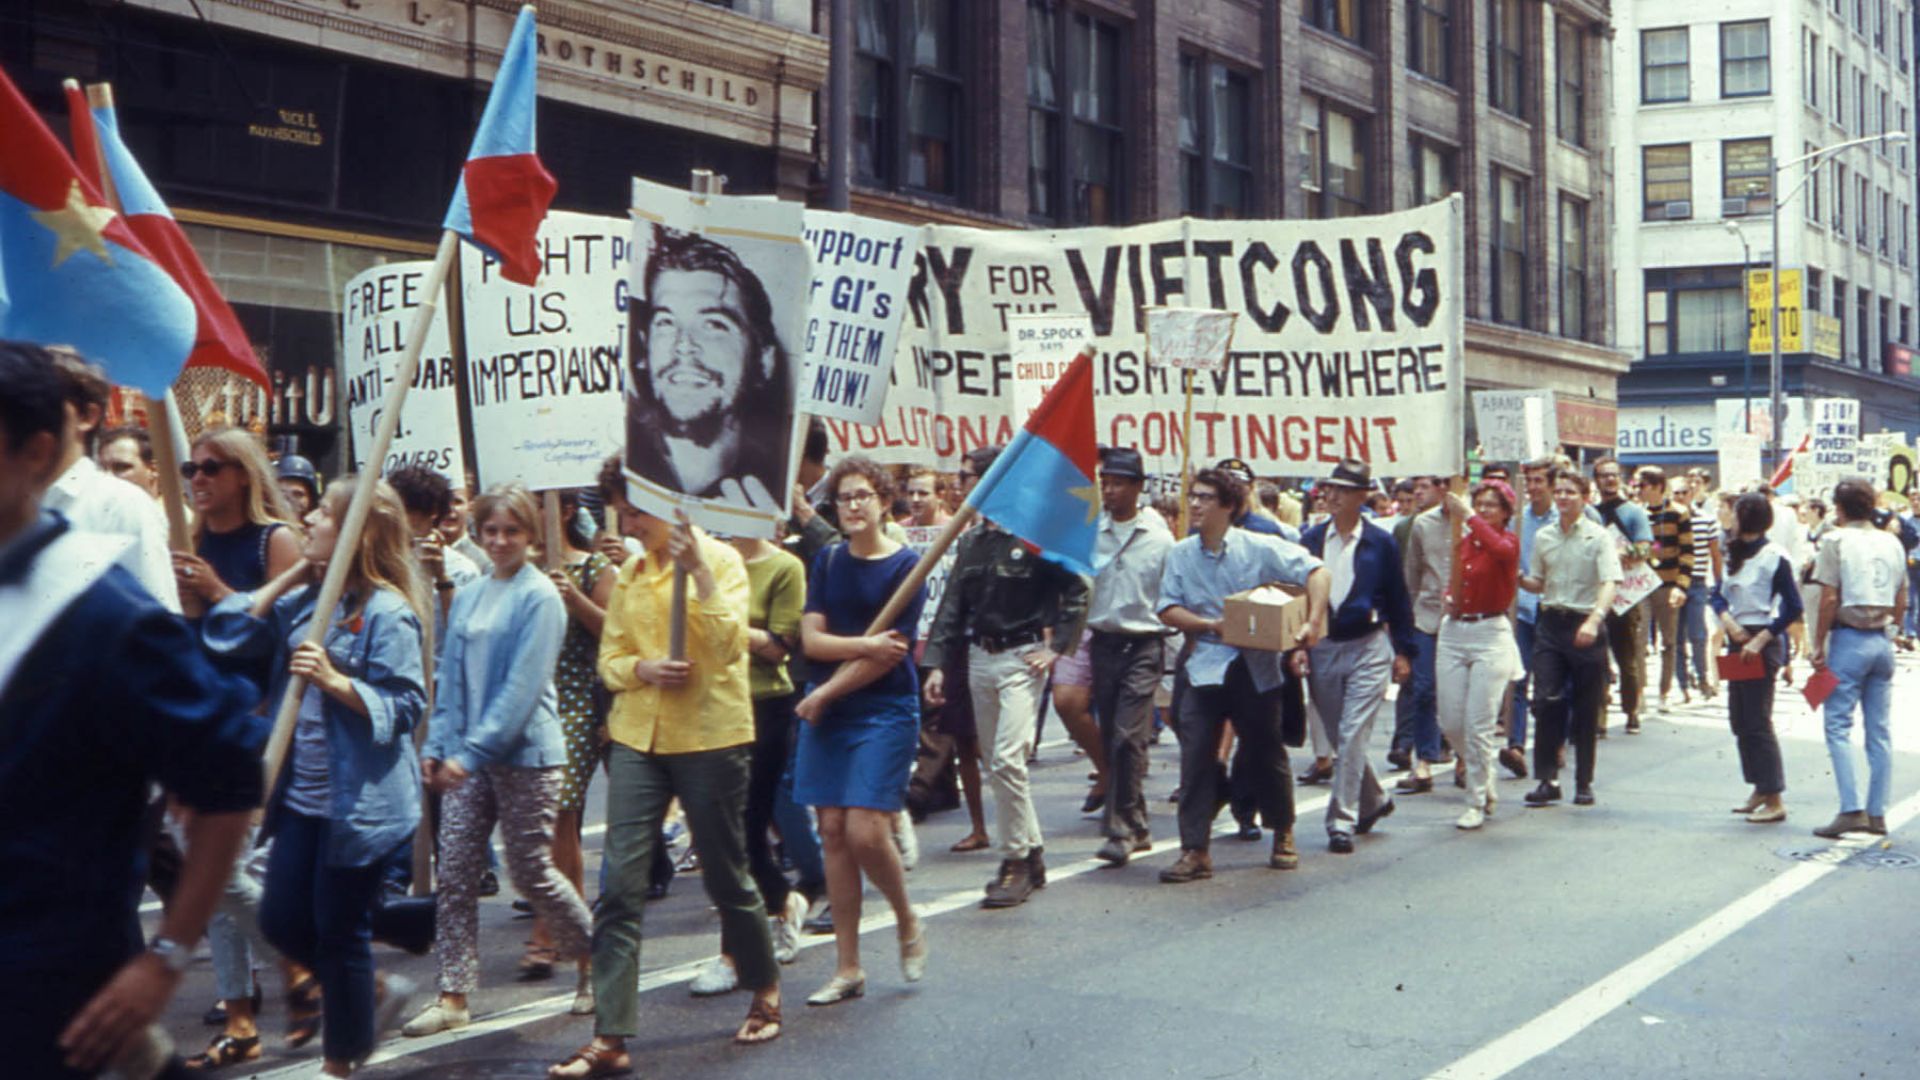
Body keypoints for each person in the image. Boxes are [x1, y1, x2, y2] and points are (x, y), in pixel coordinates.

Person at [0, 341, 259, 1080]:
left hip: (49, 992)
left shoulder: (102, 614)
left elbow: (229, 775)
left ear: (35, 451)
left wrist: (168, 955)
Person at [549, 459, 781, 1080]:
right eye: (622, 511)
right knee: (619, 885)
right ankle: (611, 1035)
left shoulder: (723, 561)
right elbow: (612, 659)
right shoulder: (630, 574)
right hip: (636, 737)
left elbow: (733, 646)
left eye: (635, 511)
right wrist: (643, 671)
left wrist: (699, 573)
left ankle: (764, 985)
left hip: (709, 737)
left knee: (726, 874)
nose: (626, 523)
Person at [202, 475, 428, 1077]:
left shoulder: (388, 611)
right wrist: (292, 574)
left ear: (357, 534)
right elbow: (230, 634)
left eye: (323, 516)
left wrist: (336, 682)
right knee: (280, 920)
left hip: (362, 806)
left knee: (338, 931)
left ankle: (339, 1062)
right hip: (302, 799)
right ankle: (372, 986)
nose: (308, 522)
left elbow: (407, 705)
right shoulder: (307, 603)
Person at [405, 484, 594, 1037]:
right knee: (457, 872)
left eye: (512, 530)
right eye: (491, 531)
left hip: (528, 756)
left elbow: (521, 689)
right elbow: (452, 679)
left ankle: (597, 962)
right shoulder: (470, 593)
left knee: (532, 871)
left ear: (532, 536)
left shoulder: (541, 597)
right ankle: (453, 995)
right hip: (470, 758)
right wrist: (439, 745)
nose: (501, 540)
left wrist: (471, 752)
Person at [922, 447, 1091, 908]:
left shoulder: (1036, 535)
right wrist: (936, 663)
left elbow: (1078, 587)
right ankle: (1033, 852)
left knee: (1009, 759)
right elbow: (952, 605)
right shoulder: (971, 542)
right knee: (996, 766)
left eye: (969, 477)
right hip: (980, 657)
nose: (962, 486)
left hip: (1021, 657)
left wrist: (1056, 648)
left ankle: (1013, 860)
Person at [790, 456, 929, 1003]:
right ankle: (848, 967)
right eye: (844, 497)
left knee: (866, 830)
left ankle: (905, 917)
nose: (852, 506)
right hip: (828, 711)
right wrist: (861, 645)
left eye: (862, 496)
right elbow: (813, 642)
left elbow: (889, 657)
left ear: (883, 501)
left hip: (882, 708)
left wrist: (824, 691)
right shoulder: (826, 560)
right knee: (831, 831)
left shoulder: (908, 566)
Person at [1157, 467, 1327, 880]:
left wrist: (1312, 621)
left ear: (1229, 506)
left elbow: (1317, 572)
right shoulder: (1180, 553)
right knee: (1196, 753)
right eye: (1192, 496)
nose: (1195, 505)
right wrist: (1208, 625)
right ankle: (1195, 848)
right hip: (1203, 664)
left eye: (1205, 498)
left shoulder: (1260, 547)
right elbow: (1167, 607)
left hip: (1254, 667)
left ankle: (1282, 830)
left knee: (1264, 750)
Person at [688, 520, 812, 996]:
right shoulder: (708, 561)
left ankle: (732, 953)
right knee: (721, 833)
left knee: (741, 831)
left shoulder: (785, 567)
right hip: (711, 703)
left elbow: (780, 647)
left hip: (763, 707)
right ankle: (784, 900)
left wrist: (720, 623)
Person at [626, 225, 793, 510]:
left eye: (713, 324)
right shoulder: (629, 487)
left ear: (763, 360)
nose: (684, 345)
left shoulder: (769, 496)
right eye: (666, 322)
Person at [1299, 459, 1415, 855]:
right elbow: (1298, 598)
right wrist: (1296, 648)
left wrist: (1404, 651)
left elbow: (1399, 598)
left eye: (1342, 490)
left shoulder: (1380, 543)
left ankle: (1341, 821)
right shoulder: (1311, 539)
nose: (1331, 496)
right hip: (1324, 647)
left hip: (1368, 646)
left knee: (1351, 734)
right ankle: (1374, 800)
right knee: (1337, 735)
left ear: (1361, 497)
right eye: (1329, 488)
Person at [531, 489, 618, 1012]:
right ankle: (558, 927)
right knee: (534, 827)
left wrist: (574, 599)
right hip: (527, 697)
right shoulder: (519, 567)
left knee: (561, 813)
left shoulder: (594, 568)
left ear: (565, 512)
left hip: (577, 699)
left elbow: (614, 632)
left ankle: (566, 942)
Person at [1085, 447, 1176, 867]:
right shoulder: (1091, 534)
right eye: (1106, 482)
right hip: (1104, 645)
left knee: (1127, 735)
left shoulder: (1159, 540)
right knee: (1112, 738)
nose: (1110, 490)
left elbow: (1172, 594)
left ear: (1138, 488)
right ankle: (1137, 822)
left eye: (1119, 483)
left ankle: (1119, 828)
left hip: (1143, 644)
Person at [1806, 479, 1910, 839]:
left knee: (1837, 726)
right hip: (1881, 641)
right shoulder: (1891, 541)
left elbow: (1829, 599)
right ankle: (1877, 812)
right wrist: (1894, 631)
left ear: (1839, 508)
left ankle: (1851, 808)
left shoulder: (1835, 540)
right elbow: (1902, 596)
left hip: (1849, 640)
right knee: (1879, 731)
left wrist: (1818, 644)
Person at [41, 356, 179, 611]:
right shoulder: (17, 500)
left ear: (87, 416)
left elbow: (158, 618)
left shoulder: (122, 506)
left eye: (46, 404)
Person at [1519, 469, 1622, 808]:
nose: (1563, 497)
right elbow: (1538, 581)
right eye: (1559, 491)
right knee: (1546, 699)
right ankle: (1547, 779)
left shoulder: (1598, 537)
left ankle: (1583, 781)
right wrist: (1517, 578)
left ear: (1584, 497)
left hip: (1585, 624)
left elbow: (1610, 582)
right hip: (1550, 623)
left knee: (1586, 706)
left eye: (1570, 492)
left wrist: (1594, 620)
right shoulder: (1544, 536)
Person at [1711, 492, 1802, 824]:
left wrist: (1760, 640)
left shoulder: (1775, 556)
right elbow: (1716, 595)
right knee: (1739, 719)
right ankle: (1758, 787)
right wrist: (1729, 624)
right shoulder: (1731, 550)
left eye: (1735, 513)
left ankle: (1775, 796)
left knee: (1758, 720)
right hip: (1738, 639)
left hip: (1764, 641)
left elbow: (1794, 607)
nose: (1729, 519)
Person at [1434, 481, 1521, 831]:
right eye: (1479, 504)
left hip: (1490, 633)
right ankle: (1484, 774)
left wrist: (1469, 516)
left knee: (1479, 723)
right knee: (1451, 721)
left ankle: (1475, 798)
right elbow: (1458, 577)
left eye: (1491, 506)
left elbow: (1500, 552)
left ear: (1505, 513)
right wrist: (1449, 596)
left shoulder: (1507, 543)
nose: (1483, 510)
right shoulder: (1464, 541)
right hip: (1455, 631)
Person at [172, 427, 302, 620]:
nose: (198, 479)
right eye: (190, 470)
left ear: (244, 475)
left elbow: (287, 623)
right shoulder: (187, 540)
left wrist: (216, 591)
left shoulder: (276, 540)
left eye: (211, 469)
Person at [1397, 479, 1453, 792]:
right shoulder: (1422, 524)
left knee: (1459, 695)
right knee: (1423, 688)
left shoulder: (1473, 519)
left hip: (1464, 619)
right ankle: (1424, 761)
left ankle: (1462, 759)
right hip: (1428, 615)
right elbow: (1412, 574)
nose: (1426, 491)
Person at [386, 463, 482, 635]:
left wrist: (441, 578)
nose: (397, 517)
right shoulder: (381, 561)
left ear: (433, 512)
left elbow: (465, 631)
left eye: (408, 510)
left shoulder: (462, 571)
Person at [1640, 468, 1695, 716]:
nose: (1637, 490)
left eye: (1642, 485)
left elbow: (1687, 552)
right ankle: (1639, 691)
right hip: (1641, 585)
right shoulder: (1636, 512)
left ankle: (1664, 692)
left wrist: (1681, 586)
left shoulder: (1678, 513)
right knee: (1638, 640)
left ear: (1657, 486)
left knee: (1669, 641)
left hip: (1668, 584)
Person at [1675, 474, 1723, 703]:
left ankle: (1702, 678)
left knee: (1698, 634)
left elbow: (1715, 554)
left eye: (1684, 492)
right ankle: (1682, 684)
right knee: (1675, 638)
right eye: (1676, 493)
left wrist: (1719, 582)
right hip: (1672, 585)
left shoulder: (1705, 520)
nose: (1680, 497)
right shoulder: (1666, 520)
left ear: (1691, 494)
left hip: (1696, 584)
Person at [97, 423, 160, 498]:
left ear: (153, 470)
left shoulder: (175, 507)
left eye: (120, 467)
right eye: (102, 469)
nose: (107, 477)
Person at [277, 454, 322, 518]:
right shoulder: (262, 526)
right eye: (282, 494)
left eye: (298, 495)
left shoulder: (316, 527)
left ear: (310, 501)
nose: (289, 500)